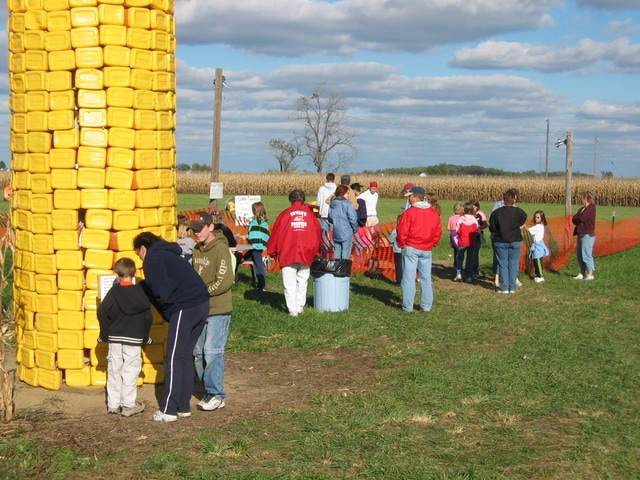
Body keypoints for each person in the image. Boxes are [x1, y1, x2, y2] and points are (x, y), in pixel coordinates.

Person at [133, 232, 209, 422]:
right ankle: (183, 406)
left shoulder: (153, 258)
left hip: (185, 306)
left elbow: (163, 291)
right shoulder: (171, 254)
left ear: (143, 248)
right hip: (201, 304)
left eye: (139, 254)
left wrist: (161, 304)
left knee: (173, 357)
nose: (141, 259)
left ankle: (168, 409)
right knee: (183, 356)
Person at [189, 211, 235, 413]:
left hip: (218, 308)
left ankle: (217, 395)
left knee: (212, 351)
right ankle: (209, 391)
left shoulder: (221, 249)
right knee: (199, 353)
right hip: (199, 308)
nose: (196, 233)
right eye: (194, 230)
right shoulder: (197, 250)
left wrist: (202, 292)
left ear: (210, 227)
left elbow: (224, 281)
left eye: (200, 229)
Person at [97, 257, 152, 417]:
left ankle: (113, 405)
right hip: (134, 338)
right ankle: (128, 405)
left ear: (116, 274)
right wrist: (145, 337)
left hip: (115, 337)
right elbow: (148, 317)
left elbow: (102, 312)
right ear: (135, 273)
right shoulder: (141, 293)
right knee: (130, 370)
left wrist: (104, 333)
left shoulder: (114, 292)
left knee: (114, 369)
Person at [267, 189, 322, 316]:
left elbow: (276, 234)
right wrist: (315, 250)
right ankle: (300, 306)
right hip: (305, 252)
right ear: (303, 199)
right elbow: (317, 234)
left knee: (289, 283)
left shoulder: (284, 214)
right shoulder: (310, 216)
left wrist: (272, 251)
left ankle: (293, 310)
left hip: (287, 252)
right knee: (302, 280)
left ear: (290, 199)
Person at [396, 186, 442, 312]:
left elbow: (402, 230)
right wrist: (433, 243)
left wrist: (401, 244)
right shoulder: (433, 212)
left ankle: (407, 306)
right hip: (426, 248)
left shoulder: (410, 212)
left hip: (411, 247)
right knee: (426, 278)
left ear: (416, 197)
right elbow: (438, 230)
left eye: (410, 196)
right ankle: (426, 305)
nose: (409, 199)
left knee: (408, 278)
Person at [488, 191, 528, 293]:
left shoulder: (497, 213)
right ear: (514, 199)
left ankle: (504, 287)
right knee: (513, 264)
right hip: (515, 240)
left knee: (503, 264)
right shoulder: (519, 212)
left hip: (501, 241)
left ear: (504, 199)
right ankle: (512, 288)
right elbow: (524, 217)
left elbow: (492, 227)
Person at [328, 184, 358, 259]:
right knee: (345, 253)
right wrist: (354, 230)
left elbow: (330, 217)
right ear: (343, 193)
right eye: (347, 193)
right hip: (346, 232)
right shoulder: (347, 204)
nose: (348, 195)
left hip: (336, 231)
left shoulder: (332, 204)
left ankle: (337, 269)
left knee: (337, 253)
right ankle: (344, 269)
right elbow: (353, 218)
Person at [572, 190, 596, 280]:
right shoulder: (582, 209)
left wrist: (578, 218)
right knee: (579, 255)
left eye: (582, 197)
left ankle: (590, 273)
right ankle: (582, 272)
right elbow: (574, 218)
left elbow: (582, 218)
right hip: (580, 234)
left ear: (585, 198)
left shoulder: (591, 208)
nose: (581, 199)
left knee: (586, 254)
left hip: (587, 234)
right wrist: (577, 218)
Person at [245, 202, 270, 290]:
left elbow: (251, 234)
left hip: (255, 247)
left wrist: (247, 238)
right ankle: (260, 284)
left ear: (254, 211)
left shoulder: (254, 223)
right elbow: (265, 235)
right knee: (244, 258)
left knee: (258, 266)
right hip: (260, 247)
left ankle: (262, 286)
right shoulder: (264, 223)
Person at [454, 202, 479, 282]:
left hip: (462, 241)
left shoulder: (460, 219)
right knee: (470, 259)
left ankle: (459, 273)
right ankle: (469, 276)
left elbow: (457, 230)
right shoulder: (474, 220)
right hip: (471, 241)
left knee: (460, 257)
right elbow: (476, 230)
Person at [528, 210, 550, 283]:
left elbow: (529, 231)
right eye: (535, 217)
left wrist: (524, 226)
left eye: (538, 217)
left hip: (538, 246)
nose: (536, 219)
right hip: (536, 245)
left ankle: (541, 276)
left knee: (538, 261)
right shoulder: (539, 226)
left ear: (542, 219)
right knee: (535, 261)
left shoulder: (538, 226)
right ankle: (537, 275)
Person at [470, 200, 488, 278]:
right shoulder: (468, 213)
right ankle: (469, 270)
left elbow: (485, 224)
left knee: (475, 253)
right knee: (470, 253)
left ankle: (475, 271)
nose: (474, 207)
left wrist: (479, 228)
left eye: (475, 206)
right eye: (472, 206)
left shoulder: (481, 214)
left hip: (478, 236)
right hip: (469, 235)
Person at [388, 214, 403, 284]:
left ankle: (399, 281)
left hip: (397, 251)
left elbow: (390, 240)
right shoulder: (408, 230)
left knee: (398, 266)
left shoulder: (395, 231)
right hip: (406, 251)